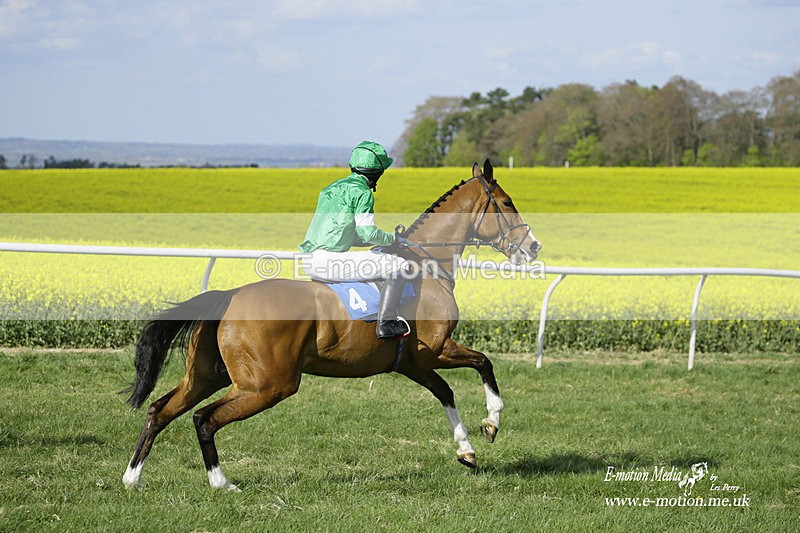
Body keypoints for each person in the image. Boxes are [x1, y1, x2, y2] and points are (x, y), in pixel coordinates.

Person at [299, 141, 413, 339]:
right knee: (399, 265)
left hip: (309, 261)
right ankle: (387, 323)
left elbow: (350, 235)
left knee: (376, 255)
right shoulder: (363, 192)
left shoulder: (330, 189)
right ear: (377, 173)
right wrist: (393, 239)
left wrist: (381, 242)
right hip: (330, 263)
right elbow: (368, 233)